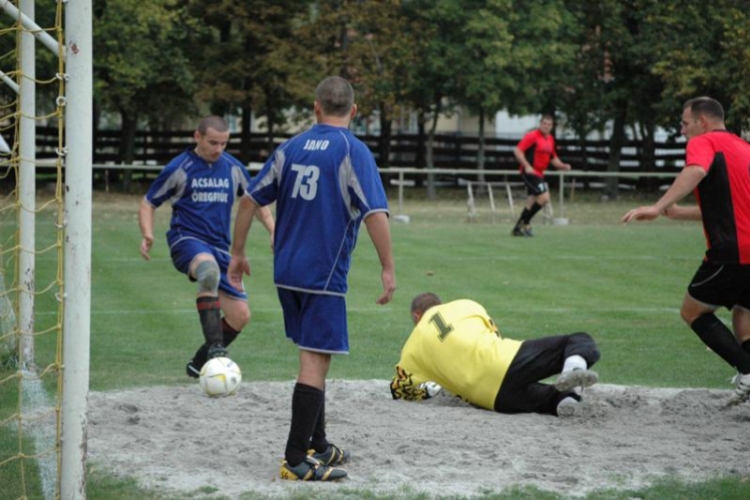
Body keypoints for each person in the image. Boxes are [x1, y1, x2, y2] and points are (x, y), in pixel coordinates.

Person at [227, 76, 396, 481]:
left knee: (315, 355)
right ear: (353, 111)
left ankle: (318, 444)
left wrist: (237, 254)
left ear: (316, 108)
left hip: (286, 271)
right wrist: (388, 266)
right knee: (315, 360)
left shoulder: (290, 147)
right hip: (322, 275)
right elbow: (375, 213)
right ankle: (296, 459)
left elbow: (249, 200)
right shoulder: (352, 150)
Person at [622, 96, 750, 406]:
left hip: (734, 251)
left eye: (684, 123)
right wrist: (679, 213)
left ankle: (747, 371)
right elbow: (735, 205)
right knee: (743, 314)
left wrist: (658, 206)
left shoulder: (705, 142)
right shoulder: (743, 147)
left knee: (692, 311)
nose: (681, 130)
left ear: (702, 122)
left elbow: (695, 170)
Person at [139, 116, 274, 378]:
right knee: (208, 271)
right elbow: (148, 202)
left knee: (240, 315)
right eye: (213, 142)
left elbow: (255, 201)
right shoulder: (180, 167)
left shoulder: (233, 168)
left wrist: (273, 229)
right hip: (186, 240)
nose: (218, 149)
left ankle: (198, 365)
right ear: (197, 137)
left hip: (220, 248)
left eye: (224, 143)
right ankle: (215, 349)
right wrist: (147, 233)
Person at [390, 293, 600, 417]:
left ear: (416, 316)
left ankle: (564, 400)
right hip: (503, 361)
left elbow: (399, 390)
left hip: (491, 399)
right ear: (440, 303)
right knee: (578, 340)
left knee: (546, 400)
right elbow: (495, 335)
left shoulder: (411, 347)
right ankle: (572, 369)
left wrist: (430, 390)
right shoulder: (465, 304)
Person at [511, 114, 572, 236]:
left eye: (549, 124)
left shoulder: (550, 139)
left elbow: (552, 158)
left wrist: (563, 166)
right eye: (544, 123)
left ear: (552, 126)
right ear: (540, 124)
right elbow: (517, 151)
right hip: (530, 173)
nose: (546, 126)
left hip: (539, 174)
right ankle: (525, 223)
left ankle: (517, 229)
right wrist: (527, 166)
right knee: (544, 197)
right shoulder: (532, 136)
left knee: (531, 201)